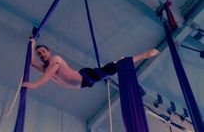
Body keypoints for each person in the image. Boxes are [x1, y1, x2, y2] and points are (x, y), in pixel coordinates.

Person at [21, 38, 159, 90]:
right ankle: (119, 62)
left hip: (84, 76)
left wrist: (35, 84)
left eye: (43, 51)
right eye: (39, 54)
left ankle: (143, 55)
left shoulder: (54, 60)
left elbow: (49, 73)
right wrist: (32, 46)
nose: (41, 55)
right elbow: (31, 62)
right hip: (82, 83)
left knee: (109, 70)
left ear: (49, 51)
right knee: (107, 71)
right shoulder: (45, 68)